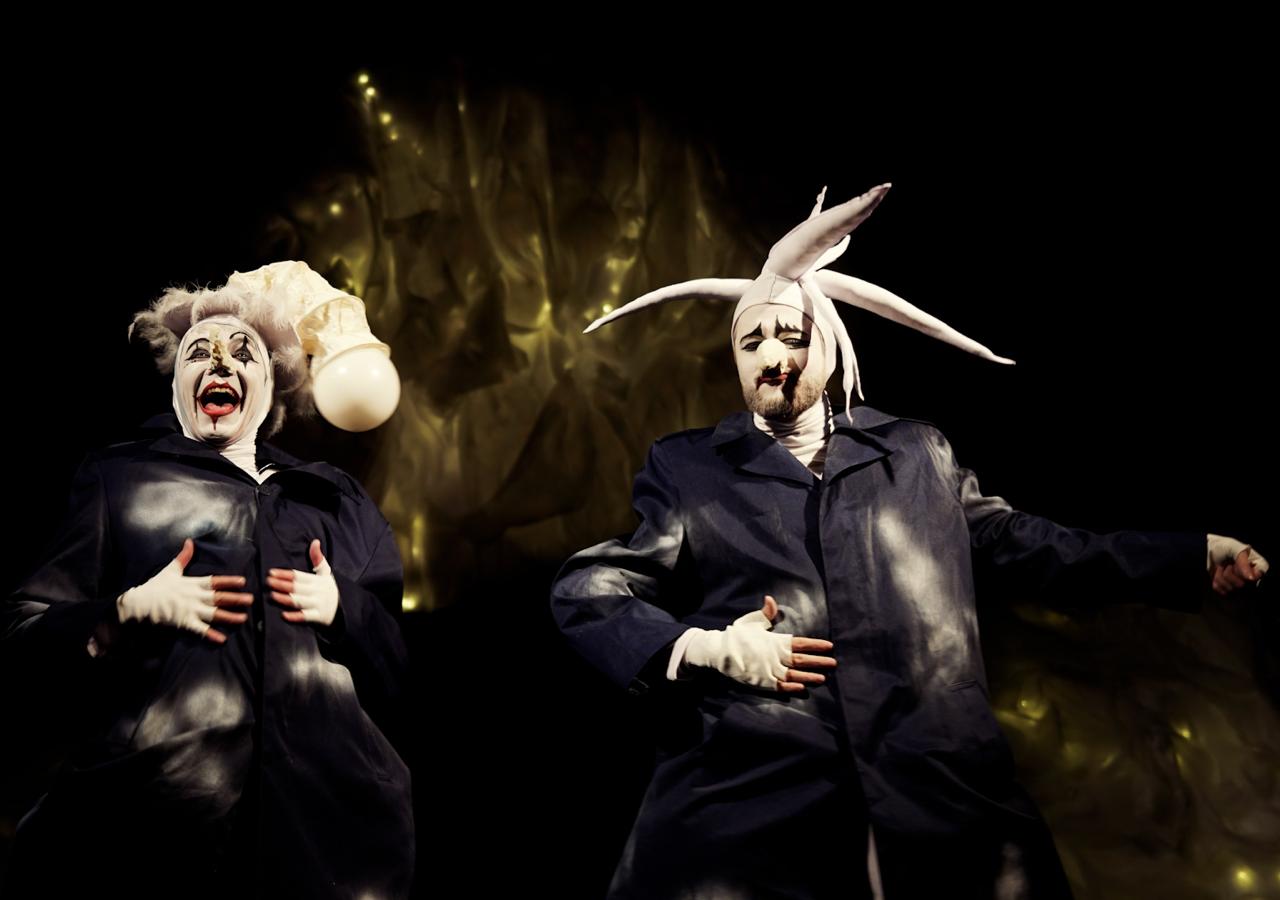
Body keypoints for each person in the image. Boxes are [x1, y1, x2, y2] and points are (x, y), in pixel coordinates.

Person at [550, 186, 1267, 899]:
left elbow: (1031, 545)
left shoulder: (915, 452)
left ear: (830, 349)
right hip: (756, 793)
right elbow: (588, 589)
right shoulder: (691, 468)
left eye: (792, 337)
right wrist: (708, 648)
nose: (771, 356)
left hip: (936, 777)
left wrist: (1186, 556)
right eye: (751, 341)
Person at [2, 262, 414, 899]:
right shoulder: (121, 480)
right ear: (177, 383)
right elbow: (21, 637)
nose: (220, 363)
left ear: (269, 385)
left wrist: (344, 608)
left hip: (327, 840)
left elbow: (398, 671)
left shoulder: (335, 500)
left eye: (243, 352)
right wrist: (123, 610)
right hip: (158, 833)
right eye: (200, 352)